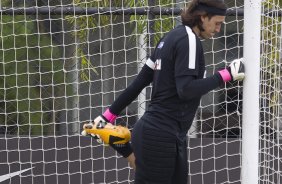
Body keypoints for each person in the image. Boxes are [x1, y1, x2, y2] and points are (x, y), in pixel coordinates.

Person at [83, 0, 245, 183]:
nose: (218, 29)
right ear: (202, 17)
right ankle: (118, 143)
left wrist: (107, 116)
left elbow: (138, 84)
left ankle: (118, 142)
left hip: (164, 135)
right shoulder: (189, 39)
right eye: (217, 23)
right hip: (160, 136)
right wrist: (226, 75)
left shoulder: (168, 38)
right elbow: (185, 90)